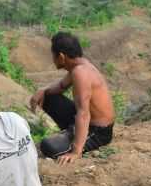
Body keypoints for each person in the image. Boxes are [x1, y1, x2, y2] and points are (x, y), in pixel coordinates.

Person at [30, 32, 115, 164]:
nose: (52, 59)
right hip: (86, 121)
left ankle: (73, 138)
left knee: (48, 146)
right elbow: (61, 86)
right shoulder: (79, 66)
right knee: (49, 97)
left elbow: (83, 114)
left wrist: (76, 151)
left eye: (53, 55)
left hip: (98, 131)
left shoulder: (80, 73)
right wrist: (42, 91)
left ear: (61, 57)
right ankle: (69, 133)